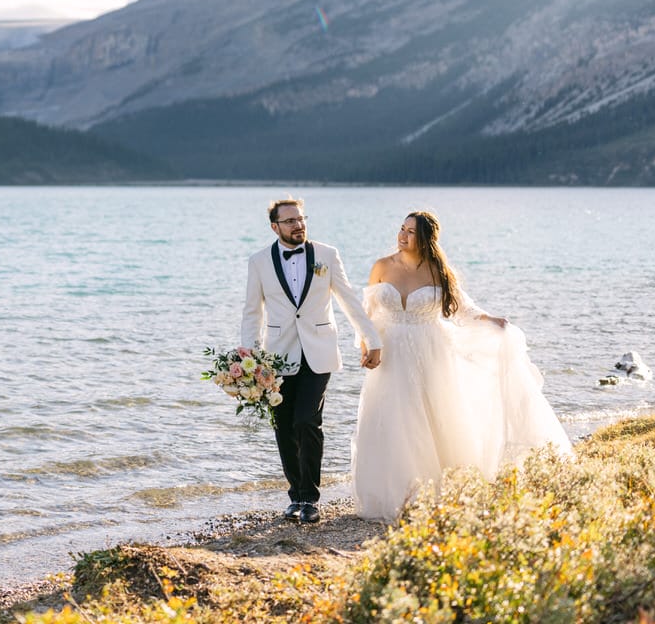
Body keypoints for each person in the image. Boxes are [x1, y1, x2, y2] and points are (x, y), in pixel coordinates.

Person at [351, 210, 574, 521]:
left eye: (411, 232)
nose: (402, 235)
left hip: (430, 352)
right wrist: (367, 346)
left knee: (431, 418)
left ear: (426, 238)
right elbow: (367, 314)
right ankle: (391, 494)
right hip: (389, 355)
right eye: (401, 229)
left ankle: (433, 492)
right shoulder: (382, 266)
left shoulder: (438, 271)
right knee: (389, 419)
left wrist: (491, 320)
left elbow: (462, 309)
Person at [240, 197, 383, 524]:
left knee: (307, 421)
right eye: (289, 221)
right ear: (275, 226)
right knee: (283, 426)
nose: (298, 225)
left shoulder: (327, 255)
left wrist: (371, 339)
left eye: (301, 219)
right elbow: (252, 312)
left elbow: (348, 300)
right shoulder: (258, 261)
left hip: (319, 350)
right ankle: (296, 495)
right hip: (276, 355)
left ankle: (312, 498)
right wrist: (248, 357)